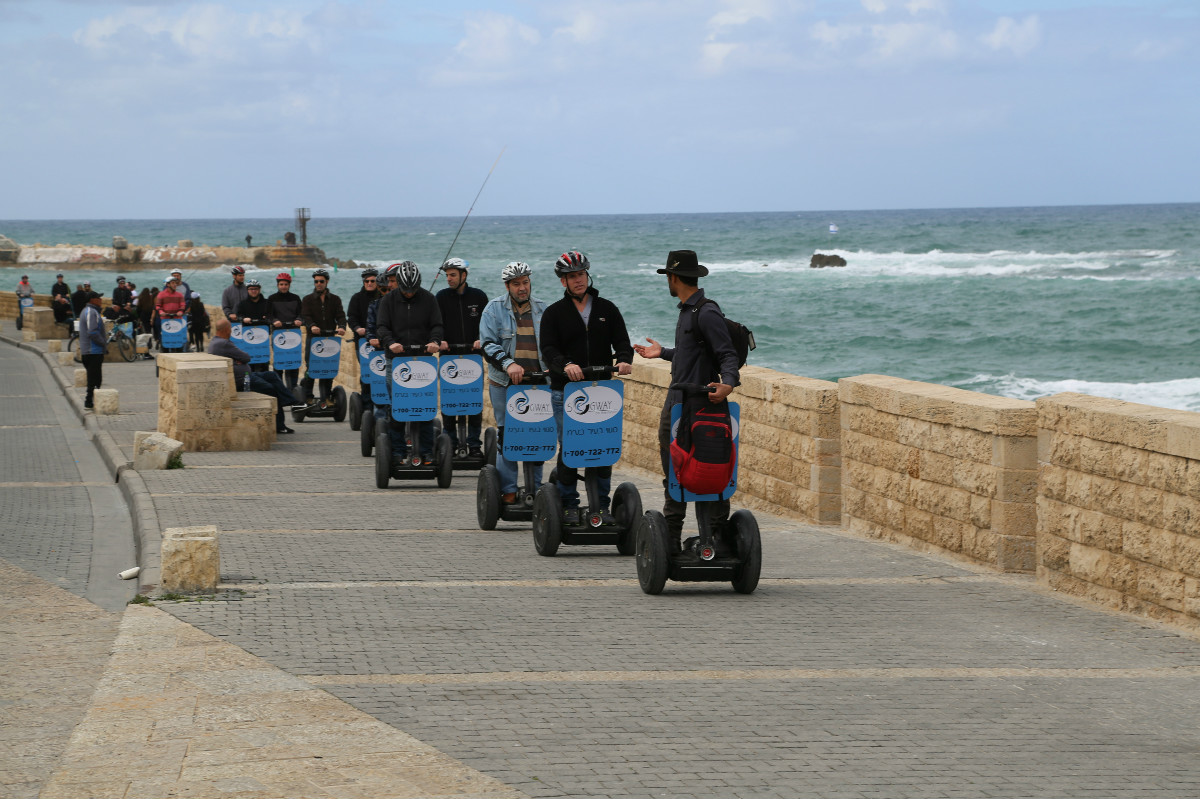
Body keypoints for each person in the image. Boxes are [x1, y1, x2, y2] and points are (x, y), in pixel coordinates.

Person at [633, 249, 741, 552]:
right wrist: (664, 352)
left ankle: (713, 542)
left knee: (709, 475)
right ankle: (671, 546)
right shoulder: (687, 312)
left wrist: (729, 383)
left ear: (674, 277)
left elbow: (727, 354)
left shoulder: (706, 312)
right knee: (676, 476)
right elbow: (694, 355)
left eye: (668, 276)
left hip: (701, 410)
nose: (667, 281)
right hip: (679, 405)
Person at [539, 251, 634, 525]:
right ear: (563, 282)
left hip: (602, 391)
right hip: (566, 392)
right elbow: (548, 349)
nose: (577, 280)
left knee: (602, 449)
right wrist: (565, 363)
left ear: (587, 275)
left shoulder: (607, 309)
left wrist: (625, 360)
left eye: (580, 274)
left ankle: (601, 505)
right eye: (571, 277)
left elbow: (623, 342)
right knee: (572, 449)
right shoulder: (554, 313)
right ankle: (568, 503)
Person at [479, 261, 549, 504]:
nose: (522, 288)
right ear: (507, 286)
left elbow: (551, 345)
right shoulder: (493, 309)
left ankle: (537, 490)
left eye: (526, 282)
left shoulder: (543, 309)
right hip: (504, 384)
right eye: (517, 284)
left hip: (538, 384)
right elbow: (488, 345)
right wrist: (509, 364)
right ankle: (508, 490)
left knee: (537, 434)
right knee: (508, 435)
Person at [375, 261, 442, 465]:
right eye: (406, 290)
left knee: (424, 408)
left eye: (413, 290)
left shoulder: (429, 299)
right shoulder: (388, 300)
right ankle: (397, 452)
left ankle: (427, 452)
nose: (410, 293)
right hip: (396, 361)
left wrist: (435, 341)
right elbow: (382, 327)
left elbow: (437, 325)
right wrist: (391, 342)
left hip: (422, 361)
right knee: (398, 409)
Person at [208, 318, 300, 434]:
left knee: (271, 375)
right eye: (230, 329)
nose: (231, 331)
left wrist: (238, 361)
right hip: (243, 381)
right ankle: (280, 425)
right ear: (226, 330)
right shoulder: (224, 343)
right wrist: (239, 361)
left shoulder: (216, 342)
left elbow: (241, 358)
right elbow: (246, 357)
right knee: (271, 389)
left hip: (246, 376)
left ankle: (291, 401)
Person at [436, 257, 488, 457]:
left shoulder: (479, 297)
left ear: (463, 275)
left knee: (473, 402)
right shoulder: (440, 297)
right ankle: (449, 441)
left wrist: (480, 339)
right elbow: (435, 323)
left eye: (453, 275)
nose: (448, 279)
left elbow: (486, 325)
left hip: (472, 357)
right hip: (449, 357)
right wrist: (439, 339)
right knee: (450, 402)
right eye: (447, 275)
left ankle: (474, 444)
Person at [299, 268, 346, 406]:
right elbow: (305, 316)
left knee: (328, 367)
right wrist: (312, 325)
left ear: (327, 282)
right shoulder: (307, 299)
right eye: (316, 281)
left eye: (321, 281)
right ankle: (308, 396)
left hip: (330, 339)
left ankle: (326, 397)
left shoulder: (335, 299)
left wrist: (342, 326)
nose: (318, 284)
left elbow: (341, 316)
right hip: (313, 339)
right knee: (311, 368)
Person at [346, 267, 382, 413]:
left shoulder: (382, 296)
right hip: (362, 342)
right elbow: (351, 317)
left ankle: (381, 401)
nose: (369, 283)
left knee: (380, 371)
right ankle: (367, 405)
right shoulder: (357, 298)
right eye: (366, 281)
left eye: (372, 281)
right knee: (367, 372)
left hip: (380, 341)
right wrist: (357, 328)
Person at [266, 272, 304, 390]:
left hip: (293, 335)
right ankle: (279, 389)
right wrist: (274, 321)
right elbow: (268, 315)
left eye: (286, 284)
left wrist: (299, 320)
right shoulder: (272, 299)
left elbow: (302, 314)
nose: (283, 286)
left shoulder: (296, 298)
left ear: (289, 285)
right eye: (281, 284)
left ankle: (293, 388)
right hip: (279, 335)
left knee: (293, 363)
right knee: (279, 363)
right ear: (277, 285)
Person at [78, 291, 107, 409]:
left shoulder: (88, 311)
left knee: (94, 378)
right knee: (94, 379)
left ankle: (93, 400)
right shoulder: (91, 312)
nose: (100, 300)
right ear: (92, 300)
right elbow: (92, 332)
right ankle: (89, 401)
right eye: (98, 298)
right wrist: (103, 342)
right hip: (92, 351)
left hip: (91, 351)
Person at [236, 279, 272, 371]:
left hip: (262, 338)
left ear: (259, 290)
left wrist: (267, 317)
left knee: (264, 364)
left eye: (256, 289)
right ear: (247, 290)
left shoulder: (267, 303)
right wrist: (244, 319)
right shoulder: (242, 304)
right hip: (248, 339)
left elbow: (272, 315)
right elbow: (238, 316)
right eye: (251, 289)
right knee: (249, 364)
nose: (253, 291)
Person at [154, 276, 188, 353]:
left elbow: (183, 305)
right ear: (167, 284)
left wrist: (180, 312)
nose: (175, 284)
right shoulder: (161, 294)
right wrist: (161, 312)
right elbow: (158, 306)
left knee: (178, 341)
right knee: (166, 341)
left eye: (175, 283)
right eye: (173, 283)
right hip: (165, 319)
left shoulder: (179, 295)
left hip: (177, 319)